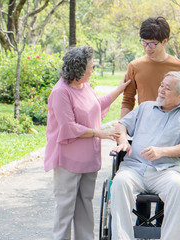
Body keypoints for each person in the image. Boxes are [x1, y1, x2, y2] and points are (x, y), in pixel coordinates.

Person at [44, 46, 130, 240]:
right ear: (79, 69)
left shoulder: (85, 86)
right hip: (68, 160)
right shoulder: (61, 92)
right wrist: (101, 133)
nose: (93, 71)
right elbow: (69, 127)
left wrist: (120, 88)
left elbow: (96, 107)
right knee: (65, 209)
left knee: (85, 206)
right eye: (91, 67)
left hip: (89, 159)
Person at [111, 71, 180, 240]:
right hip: (134, 168)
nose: (161, 90)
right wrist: (123, 141)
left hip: (165, 171)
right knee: (119, 182)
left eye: (167, 88)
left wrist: (162, 151)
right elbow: (121, 125)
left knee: (179, 187)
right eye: (161, 85)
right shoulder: (145, 107)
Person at [120, 16, 180, 119]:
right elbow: (128, 100)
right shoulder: (134, 66)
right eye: (144, 43)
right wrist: (121, 129)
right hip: (145, 124)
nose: (147, 48)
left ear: (164, 41)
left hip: (172, 124)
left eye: (152, 44)